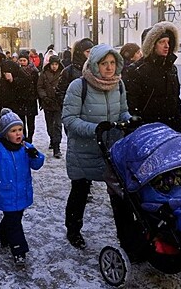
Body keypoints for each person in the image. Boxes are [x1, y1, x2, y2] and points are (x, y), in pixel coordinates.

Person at [62, 44, 131, 250]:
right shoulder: (78, 86)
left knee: (118, 193)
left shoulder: (118, 85)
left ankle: (126, 235)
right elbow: (69, 119)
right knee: (80, 191)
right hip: (84, 150)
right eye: (104, 63)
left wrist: (129, 120)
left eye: (112, 63)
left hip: (111, 150)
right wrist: (96, 129)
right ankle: (73, 229)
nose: (109, 68)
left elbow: (123, 111)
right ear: (94, 64)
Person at [0, 108, 45, 267]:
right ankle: (19, 250)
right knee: (14, 223)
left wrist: (36, 155)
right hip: (7, 192)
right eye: (13, 131)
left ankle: (2, 232)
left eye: (20, 129)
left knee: (14, 218)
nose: (18, 133)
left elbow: (36, 165)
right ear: (5, 133)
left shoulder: (26, 147)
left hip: (23, 192)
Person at [123, 21, 181, 132]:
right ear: (151, 45)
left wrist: (179, 126)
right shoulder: (137, 70)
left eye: (168, 42)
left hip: (170, 128)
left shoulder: (171, 68)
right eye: (162, 42)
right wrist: (137, 126)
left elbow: (175, 100)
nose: (167, 46)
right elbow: (131, 103)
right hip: (148, 129)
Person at [37, 55, 64, 158]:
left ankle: (57, 146)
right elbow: (39, 87)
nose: (54, 66)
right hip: (48, 103)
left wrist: (60, 96)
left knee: (57, 125)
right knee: (49, 125)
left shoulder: (62, 73)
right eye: (52, 64)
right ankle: (52, 139)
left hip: (58, 103)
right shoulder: (44, 74)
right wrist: (44, 97)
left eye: (56, 64)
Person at [56, 38, 94, 106]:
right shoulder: (68, 71)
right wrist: (69, 107)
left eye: (92, 52)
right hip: (75, 109)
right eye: (88, 52)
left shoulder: (95, 69)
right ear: (79, 53)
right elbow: (60, 94)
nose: (90, 55)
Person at [16, 52, 39, 143]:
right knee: (21, 121)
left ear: (27, 60)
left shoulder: (34, 71)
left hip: (31, 99)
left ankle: (30, 138)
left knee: (31, 122)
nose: (22, 62)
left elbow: (37, 85)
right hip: (20, 99)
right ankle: (23, 138)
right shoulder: (17, 70)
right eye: (20, 60)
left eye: (24, 60)